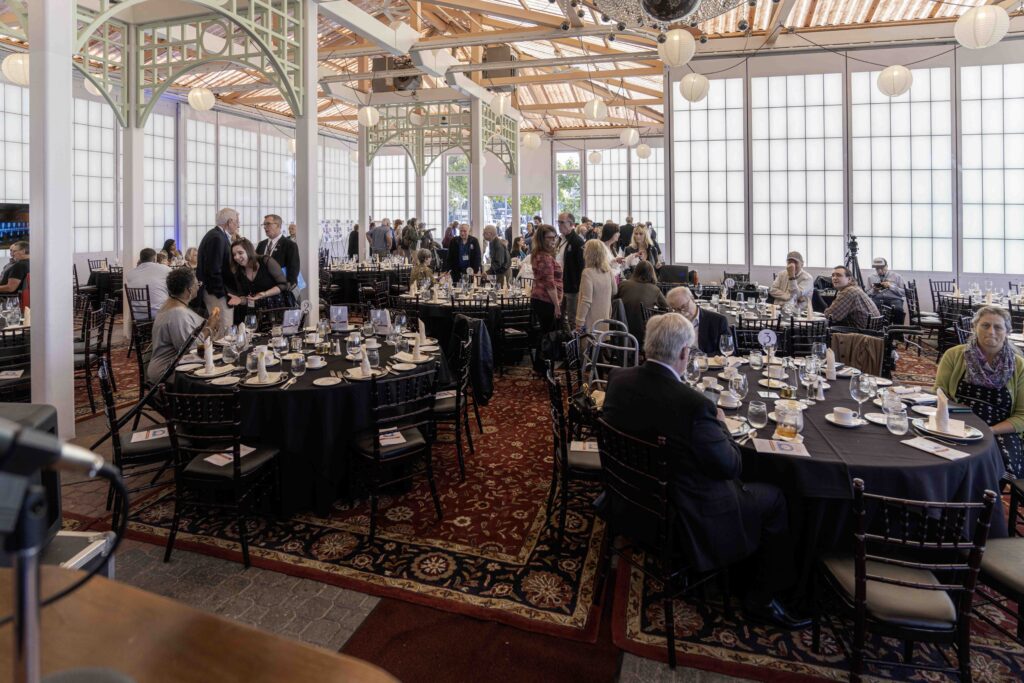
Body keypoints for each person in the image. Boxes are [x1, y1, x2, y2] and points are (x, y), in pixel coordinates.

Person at [602, 313, 807, 629]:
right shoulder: (695, 406)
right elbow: (731, 466)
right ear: (685, 353)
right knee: (776, 497)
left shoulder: (618, 379)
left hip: (628, 496)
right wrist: (721, 424)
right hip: (684, 514)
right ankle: (762, 596)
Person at [935, 305, 1024, 480]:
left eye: (998, 327)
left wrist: (989, 430)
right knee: (943, 459)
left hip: (999, 429)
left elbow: (1022, 416)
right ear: (974, 327)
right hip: (959, 424)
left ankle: (986, 498)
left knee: (998, 465)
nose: (991, 331)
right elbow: (939, 395)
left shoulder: (1019, 366)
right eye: (985, 325)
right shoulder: (954, 355)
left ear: (1007, 332)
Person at [146, 267, 220, 385]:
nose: (199, 287)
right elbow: (191, 348)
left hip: (178, 365)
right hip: (168, 371)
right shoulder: (177, 313)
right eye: (197, 284)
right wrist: (210, 327)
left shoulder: (171, 303)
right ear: (189, 290)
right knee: (216, 376)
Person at [196, 207, 239, 336]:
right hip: (217, 293)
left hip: (215, 291)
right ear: (230, 222)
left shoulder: (217, 235)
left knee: (221, 331)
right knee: (224, 332)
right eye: (237, 222)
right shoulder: (217, 237)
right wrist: (222, 293)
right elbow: (214, 269)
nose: (238, 225)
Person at [226, 238, 290, 324]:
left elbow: (283, 285)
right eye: (234, 254)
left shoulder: (266, 261)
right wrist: (240, 300)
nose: (236, 257)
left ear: (249, 251)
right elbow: (247, 298)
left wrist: (264, 294)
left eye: (240, 253)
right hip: (255, 313)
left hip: (275, 308)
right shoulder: (238, 271)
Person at [530, 224, 563, 369]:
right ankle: (545, 366)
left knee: (545, 334)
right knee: (548, 336)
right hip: (546, 299)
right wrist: (557, 305)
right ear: (542, 239)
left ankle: (541, 365)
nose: (553, 240)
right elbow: (549, 284)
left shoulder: (539, 254)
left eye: (554, 237)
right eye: (549, 238)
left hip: (541, 298)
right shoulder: (544, 257)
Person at [666, 286, 730, 355]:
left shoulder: (718, 321)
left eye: (684, 306)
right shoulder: (670, 324)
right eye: (676, 310)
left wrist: (703, 358)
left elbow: (728, 351)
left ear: (692, 299)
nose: (681, 312)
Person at [617, 261, 667, 346]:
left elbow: (614, 303)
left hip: (620, 329)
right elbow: (668, 308)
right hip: (643, 334)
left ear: (636, 271)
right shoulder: (655, 289)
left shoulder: (623, 285)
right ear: (652, 273)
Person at [575, 239, 617, 333]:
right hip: (605, 317)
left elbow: (586, 300)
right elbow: (614, 290)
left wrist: (579, 321)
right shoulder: (608, 270)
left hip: (590, 319)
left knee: (588, 341)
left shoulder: (587, 273)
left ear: (588, 254)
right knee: (602, 340)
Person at [257, 214, 301, 293]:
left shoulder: (289, 245)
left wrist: (288, 287)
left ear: (278, 225)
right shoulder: (261, 244)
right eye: (264, 224)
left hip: (280, 289)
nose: (265, 227)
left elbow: (293, 270)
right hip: (261, 289)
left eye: (268, 224)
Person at [125, 248, 171, 318]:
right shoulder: (165, 269)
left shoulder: (130, 273)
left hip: (137, 315)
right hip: (159, 314)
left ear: (140, 259)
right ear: (155, 259)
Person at [557, 212, 585, 322]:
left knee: (572, 317)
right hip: (559, 284)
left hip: (572, 286)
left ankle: (574, 334)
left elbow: (582, 266)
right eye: (558, 222)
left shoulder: (577, 241)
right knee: (560, 316)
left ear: (571, 224)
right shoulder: (560, 239)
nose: (559, 225)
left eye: (562, 222)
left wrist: (578, 285)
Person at [867, 257, 906, 322]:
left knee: (898, 310)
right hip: (877, 299)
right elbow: (867, 293)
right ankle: (875, 328)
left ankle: (897, 328)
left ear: (887, 266)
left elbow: (905, 293)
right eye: (877, 269)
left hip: (894, 300)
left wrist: (890, 286)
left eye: (882, 268)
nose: (880, 271)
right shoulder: (871, 277)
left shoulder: (897, 276)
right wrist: (874, 290)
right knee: (869, 310)